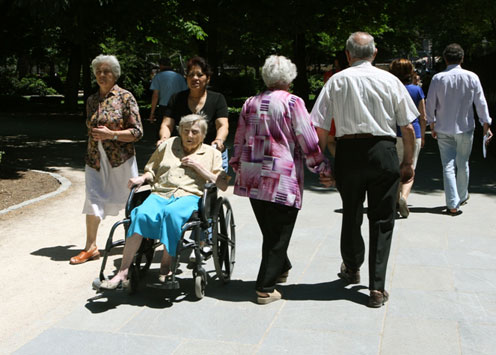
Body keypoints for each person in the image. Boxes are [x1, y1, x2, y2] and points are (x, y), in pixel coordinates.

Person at [310, 32, 419, 308]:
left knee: (351, 212)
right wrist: (407, 161)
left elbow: (320, 127)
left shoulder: (336, 80)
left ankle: (351, 265)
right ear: (374, 53)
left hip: (348, 152)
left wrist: (322, 161)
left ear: (348, 55)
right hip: (383, 151)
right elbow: (407, 126)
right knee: (382, 220)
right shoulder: (390, 80)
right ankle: (377, 289)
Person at [230, 55, 330, 304]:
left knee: (270, 229)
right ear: (290, 78)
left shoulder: (250, 103)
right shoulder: (293, 102)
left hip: (253, 173)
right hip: (281, 176)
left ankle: (281, 266)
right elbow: (307, 138)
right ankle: (265, 287)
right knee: (278, 233)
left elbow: (240, 137)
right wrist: (322, 166)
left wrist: (236, 163)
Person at [100, 114, 229, 289]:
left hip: (189, 195)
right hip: (160, 193)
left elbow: (222, 184)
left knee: (172, 214)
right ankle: (122, 272)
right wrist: (143, 178)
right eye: (185, 131)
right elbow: (152, 169)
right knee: (140, 214)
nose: (189, 135)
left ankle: (166, 266)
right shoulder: (169, 144)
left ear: (203, 134)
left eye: (194, 132)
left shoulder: (212, 153)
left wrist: (199, 167)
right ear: (180, 132)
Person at [70, 54, 143, 265]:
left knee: (130, 202)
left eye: (106, 71)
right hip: (95, 159)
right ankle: (91, 247)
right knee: (92, 198)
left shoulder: (125, 97)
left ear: (115, 75)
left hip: (121, 160)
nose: (101, 75)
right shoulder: (92, 100)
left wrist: (111, 134)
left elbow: (137, 132)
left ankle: (134, 246)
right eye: (98, 71)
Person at [426, 43, 493, 216]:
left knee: (447, 165)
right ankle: (461, 195)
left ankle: (452, 202)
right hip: (465, 127)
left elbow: (430, 103)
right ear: (462, 58)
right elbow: (481, 102)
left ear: (445, 59)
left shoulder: (438, 78)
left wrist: (431, 123)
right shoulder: (472, 77)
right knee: (463, 163)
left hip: (443, 127)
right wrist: (486, 124)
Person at [158, 56, 229, 171]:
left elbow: (222, 125)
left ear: (208, 78)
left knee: (210, 187)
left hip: (210, 152)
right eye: (191, 75)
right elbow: (167, 124)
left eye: (200, 75)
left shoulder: (217, 99)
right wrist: (164, 138)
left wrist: (219, 140)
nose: (195, 78)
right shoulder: (176, 98)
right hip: (182, 153)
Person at [389, 58, 427, 218]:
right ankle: (404, 197)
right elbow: (423, 116)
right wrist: (423, 135)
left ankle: (396, 200)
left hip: (393, 133)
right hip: (414, 133)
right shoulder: (416, 90)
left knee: (395, 168)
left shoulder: (390, 88)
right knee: (409, 168)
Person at [148, 57, 187, 124]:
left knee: (163, 128)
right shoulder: (180, 77)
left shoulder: (158, 77)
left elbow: (155, 96)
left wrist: (152, 113)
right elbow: (185, 93)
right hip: (178, 106)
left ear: (160, 65)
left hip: (164, 107)